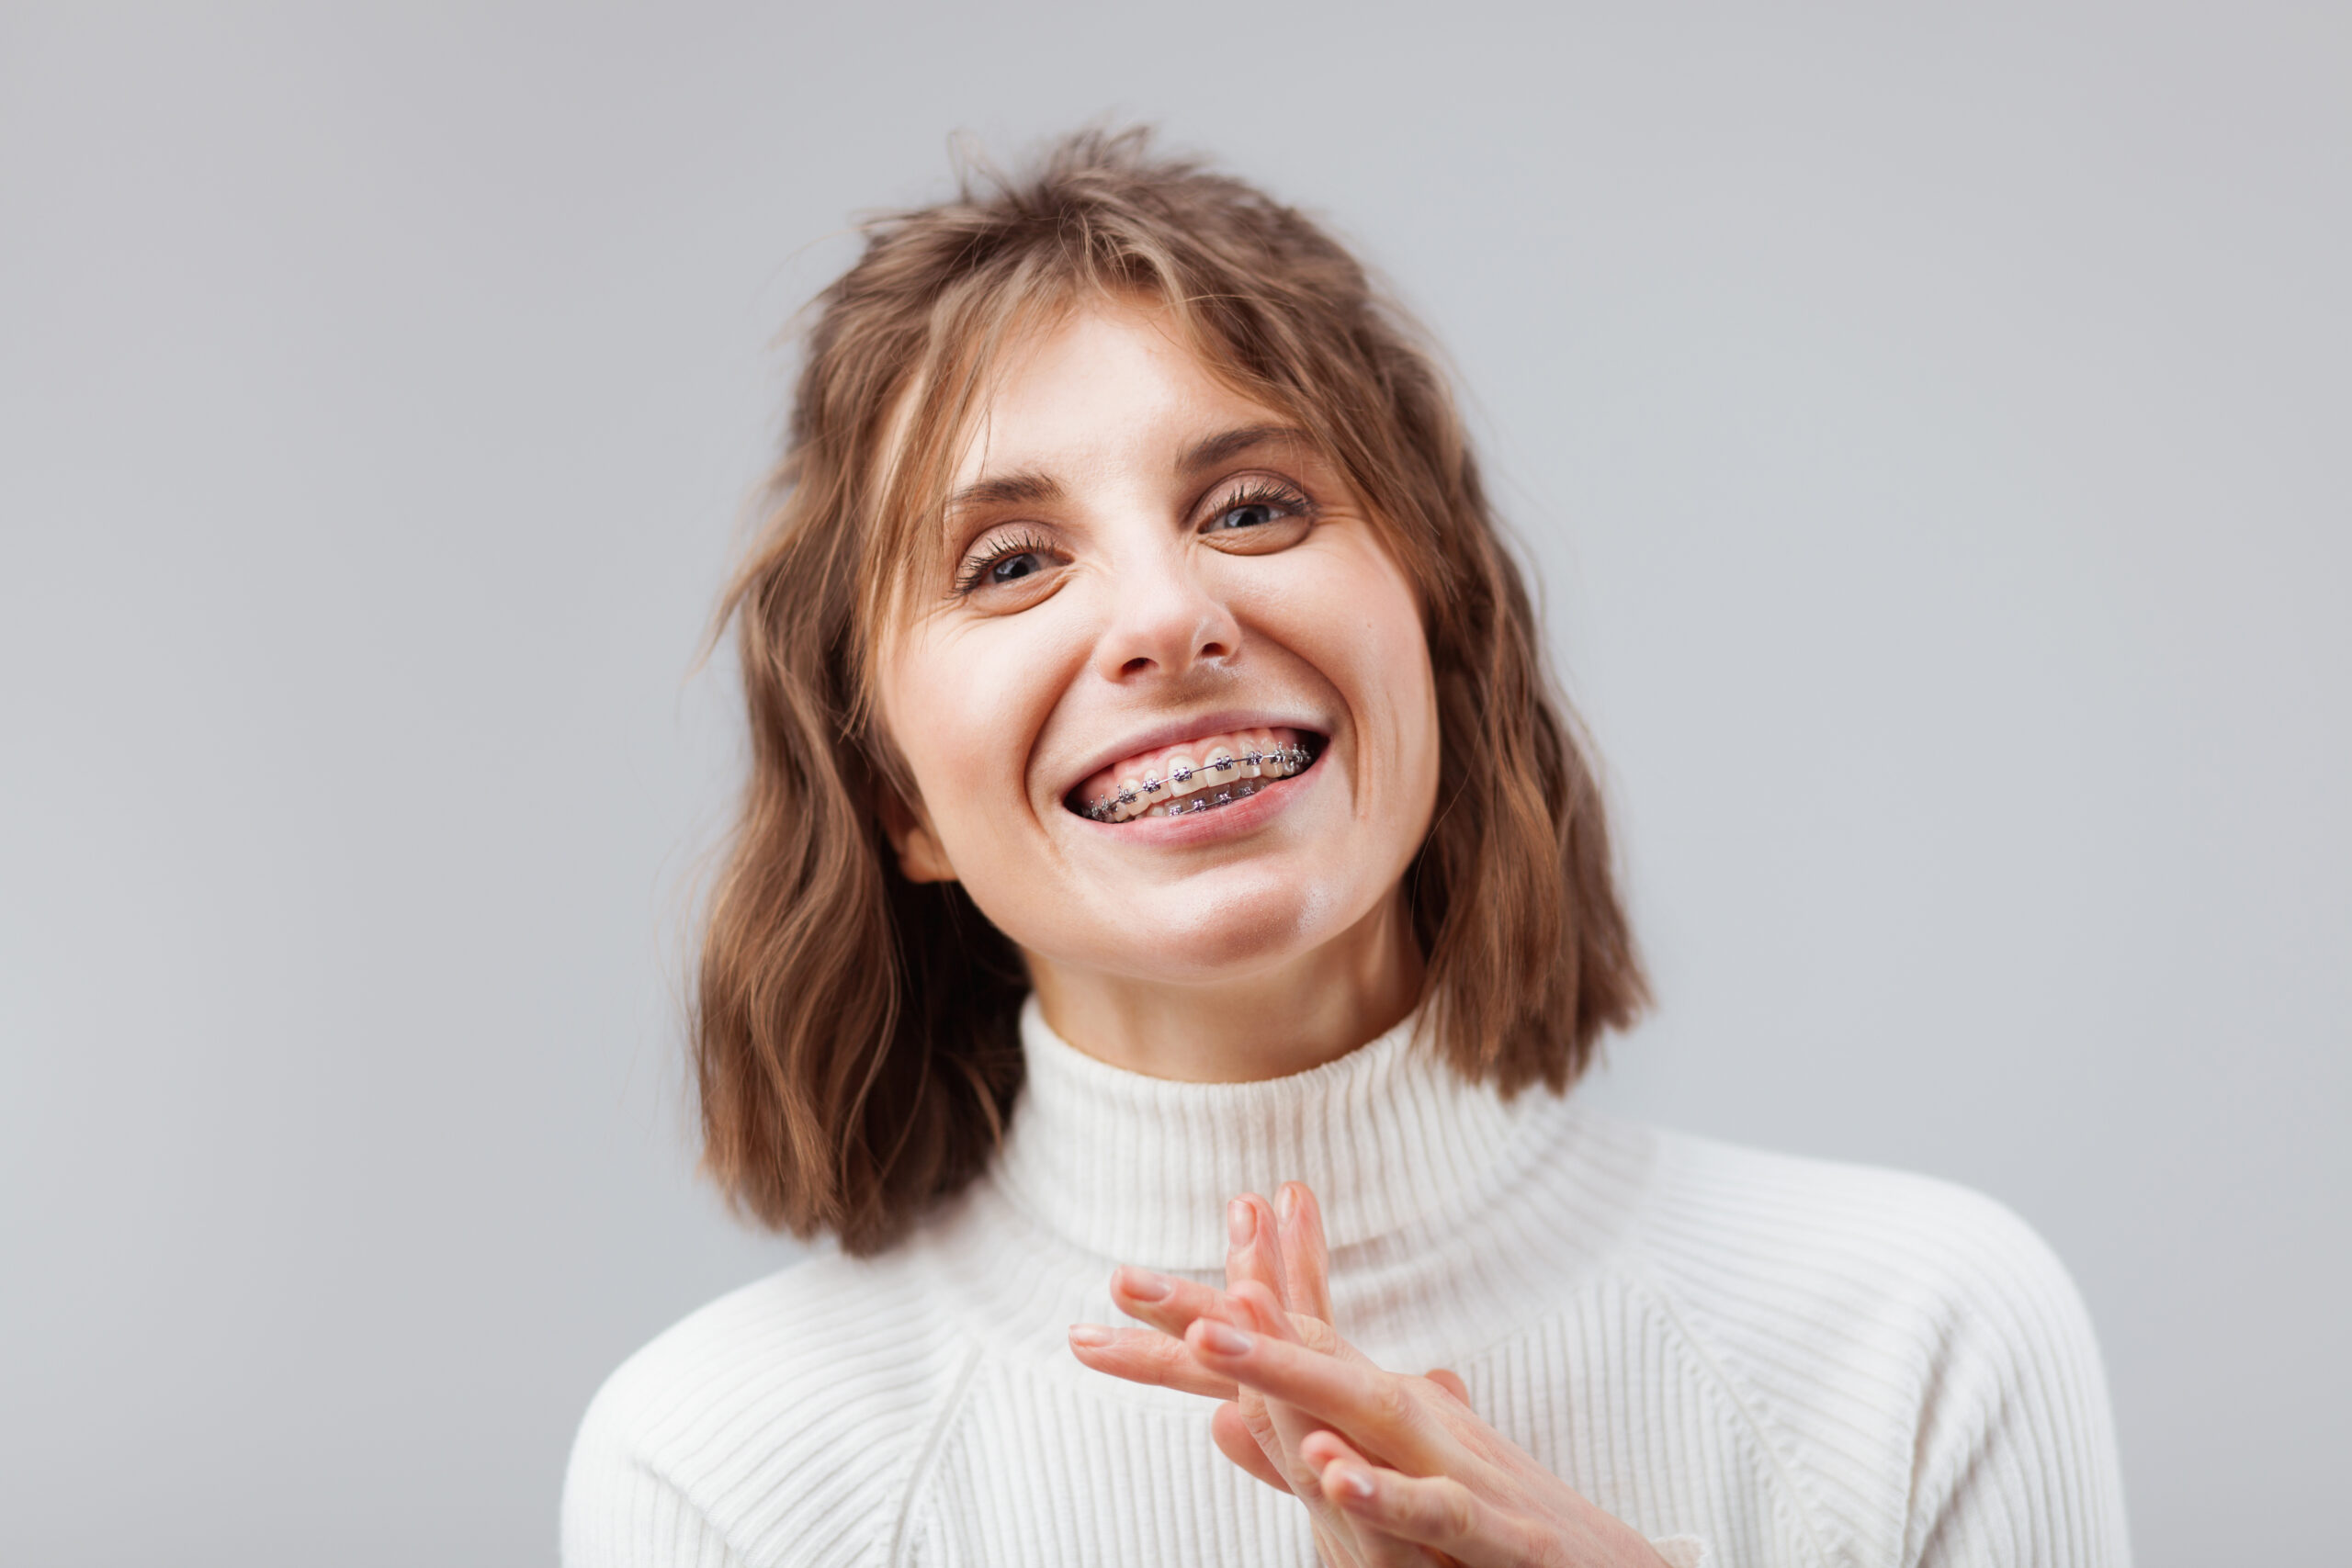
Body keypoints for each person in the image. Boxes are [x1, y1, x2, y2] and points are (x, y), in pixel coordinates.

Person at [561, 128, 2131, 1567]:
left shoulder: (1923, 1338)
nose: (1172, 619)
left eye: (1252, 509)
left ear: (1437, 641)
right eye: (1013, 562)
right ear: (896, 796)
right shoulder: (720, 1474)